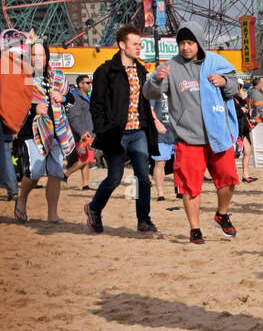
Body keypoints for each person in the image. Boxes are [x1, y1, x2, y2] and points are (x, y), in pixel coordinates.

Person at [143, 22, 239, 244]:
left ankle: (221, 214)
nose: (185, 47)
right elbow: (149, 94)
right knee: (190, 186)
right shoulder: (170, 67)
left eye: (189, 42)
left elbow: (235, 87)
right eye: (181, 43)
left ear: (199, 42)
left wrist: (224, 81)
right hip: (188, 138)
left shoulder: (215, 62)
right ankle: (195, 229)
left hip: (217, 135)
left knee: (229, 180)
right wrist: (156, 80)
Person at [86, 26, 159, 235]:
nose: (139, 48)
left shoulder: (142, 71)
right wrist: (102, 129)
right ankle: (94, 208)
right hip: (115, 133)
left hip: (139, 132)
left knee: (143, 178)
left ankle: (143, 220)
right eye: (135, 44)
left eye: (140, 44)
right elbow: (96, 104)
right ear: (121, 45)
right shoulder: (105, 71)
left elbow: (145, 102)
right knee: (115, 178)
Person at [12, 38, 75, 223]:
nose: (38, 58)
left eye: (41, 54)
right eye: (33, 54)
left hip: (56, 131)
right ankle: (22, 200)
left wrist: (62, 97)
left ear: (47, 56)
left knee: (55, 172)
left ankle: (52, 214)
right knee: (36, 169)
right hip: (31, 130)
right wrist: (33, 109)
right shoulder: (21, 77)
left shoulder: (57, 76)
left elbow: (72, 99)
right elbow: (12, 105)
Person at [64, 74, 95, 190]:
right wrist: (82, 132)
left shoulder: (87, 96)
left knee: (86, 160)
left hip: (88, 132)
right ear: (80, 84)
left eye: (90, 82)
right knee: (85, 159)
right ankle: (65, 175)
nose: (89, 85)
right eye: (87, 83)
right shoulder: (76, 98)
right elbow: (74, 118)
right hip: (81, 134)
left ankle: (85, 184)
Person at [150, 88, 176, 201]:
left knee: (181, 163)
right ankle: (160, 194)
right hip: (161, 132)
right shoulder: (154, 90)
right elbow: (150, 109)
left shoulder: (176, 88)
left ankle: (179, 190)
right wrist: (157, 123)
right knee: (160, 162)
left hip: (177, 131)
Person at [233, 89, 255, 183]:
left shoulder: (239, 100)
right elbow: (233, 114)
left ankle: (245, 175)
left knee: (248, 151)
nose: (240, 90)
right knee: (233, 154)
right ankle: (233, 175)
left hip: (243, 129)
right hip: (236, 130)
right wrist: (241, 110)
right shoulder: (230, 100)